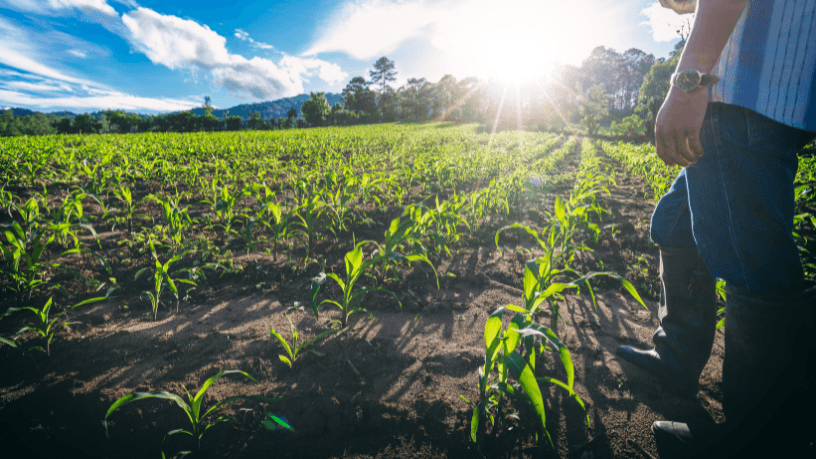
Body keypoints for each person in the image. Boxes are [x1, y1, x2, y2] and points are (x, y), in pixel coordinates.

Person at [615, 0, 816, 457]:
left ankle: (763, 438)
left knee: (752, 260)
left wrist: (689, 82)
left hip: (744, 87)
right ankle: (677, 357)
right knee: (673, 222)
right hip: (760, 83)